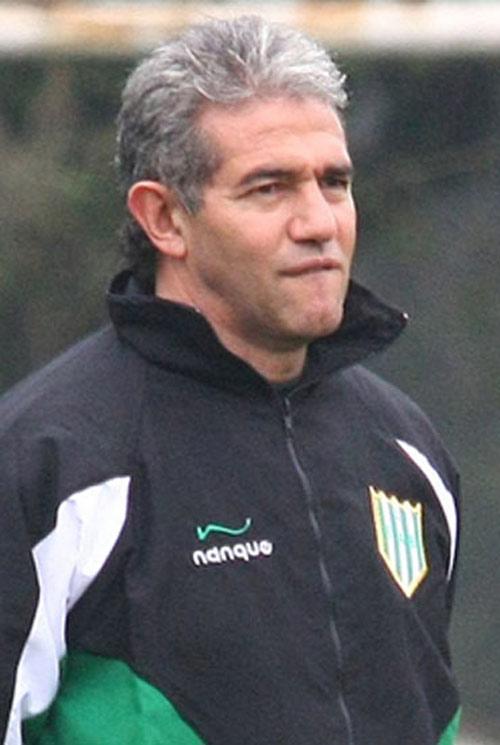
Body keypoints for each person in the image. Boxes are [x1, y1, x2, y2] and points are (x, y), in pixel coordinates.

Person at [0, 15, 461, 745]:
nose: (318, 223)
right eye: (270, 188)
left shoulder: (406, 448)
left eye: (334, 182)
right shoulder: (49, 464)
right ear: (164, 218)